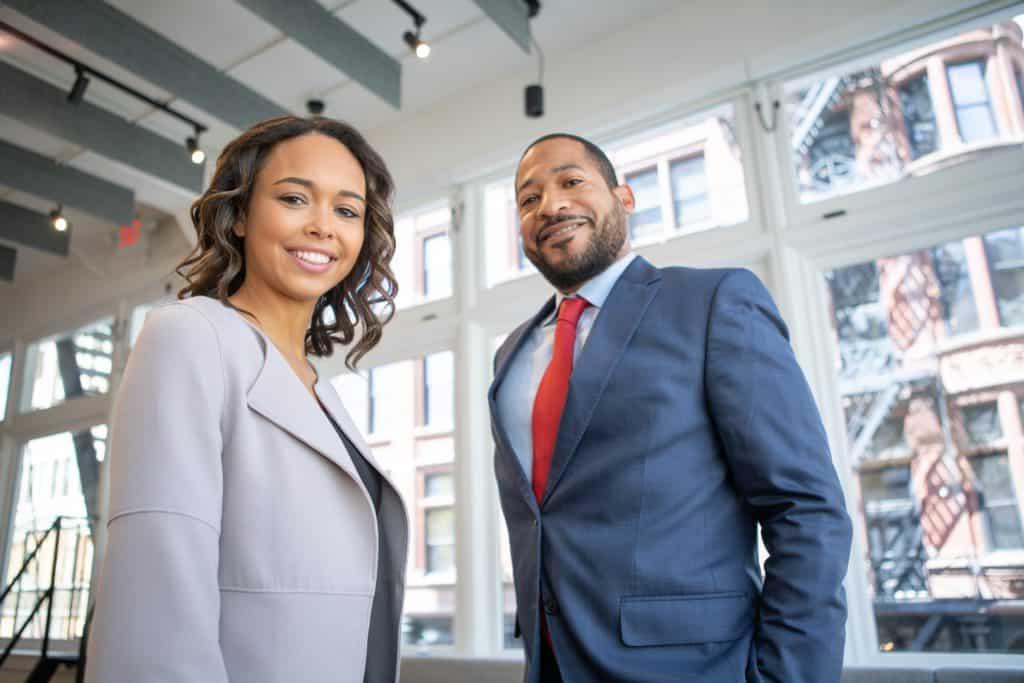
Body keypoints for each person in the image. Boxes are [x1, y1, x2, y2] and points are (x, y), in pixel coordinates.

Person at [489, 133, 853, 682]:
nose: (551, 205)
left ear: (624, 198)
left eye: (571, 182)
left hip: (696, 666)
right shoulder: (510, 354)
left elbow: (804, 508)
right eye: (528, 198)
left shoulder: (714, 303)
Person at [85, 115, 407, 683]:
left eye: (347, 210)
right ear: (239, 216)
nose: (323, 227)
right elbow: (156, 602)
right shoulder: (190, 335)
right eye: (293, 198)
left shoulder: (318, 387)